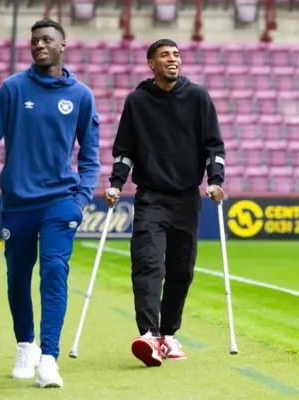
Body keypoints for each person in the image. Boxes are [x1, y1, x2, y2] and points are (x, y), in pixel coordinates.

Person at [0, 19, 100, 388]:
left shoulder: (82, 96)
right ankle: (26, 345)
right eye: (35, 40)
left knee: (55, 272)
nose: (39, 45)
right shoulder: (12, 89)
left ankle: (49, 359)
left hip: (59, 202)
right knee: (18, 278)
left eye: (47, 40)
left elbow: (90, 156)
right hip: (18, 203)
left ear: (63, 46)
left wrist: (82, 198)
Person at [103, 39, 226, 367]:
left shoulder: (198, 97)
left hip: (187, 198)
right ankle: (148, 334)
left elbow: (214, 146)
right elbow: (125, 151)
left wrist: (215, 181)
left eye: (176, 55)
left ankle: (168, 334)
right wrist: (115, 184)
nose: (172, 60)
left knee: (180, 270)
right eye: (164, 56)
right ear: (151, 64)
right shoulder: (137, 101)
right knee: (147, 264)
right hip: (150, 198)